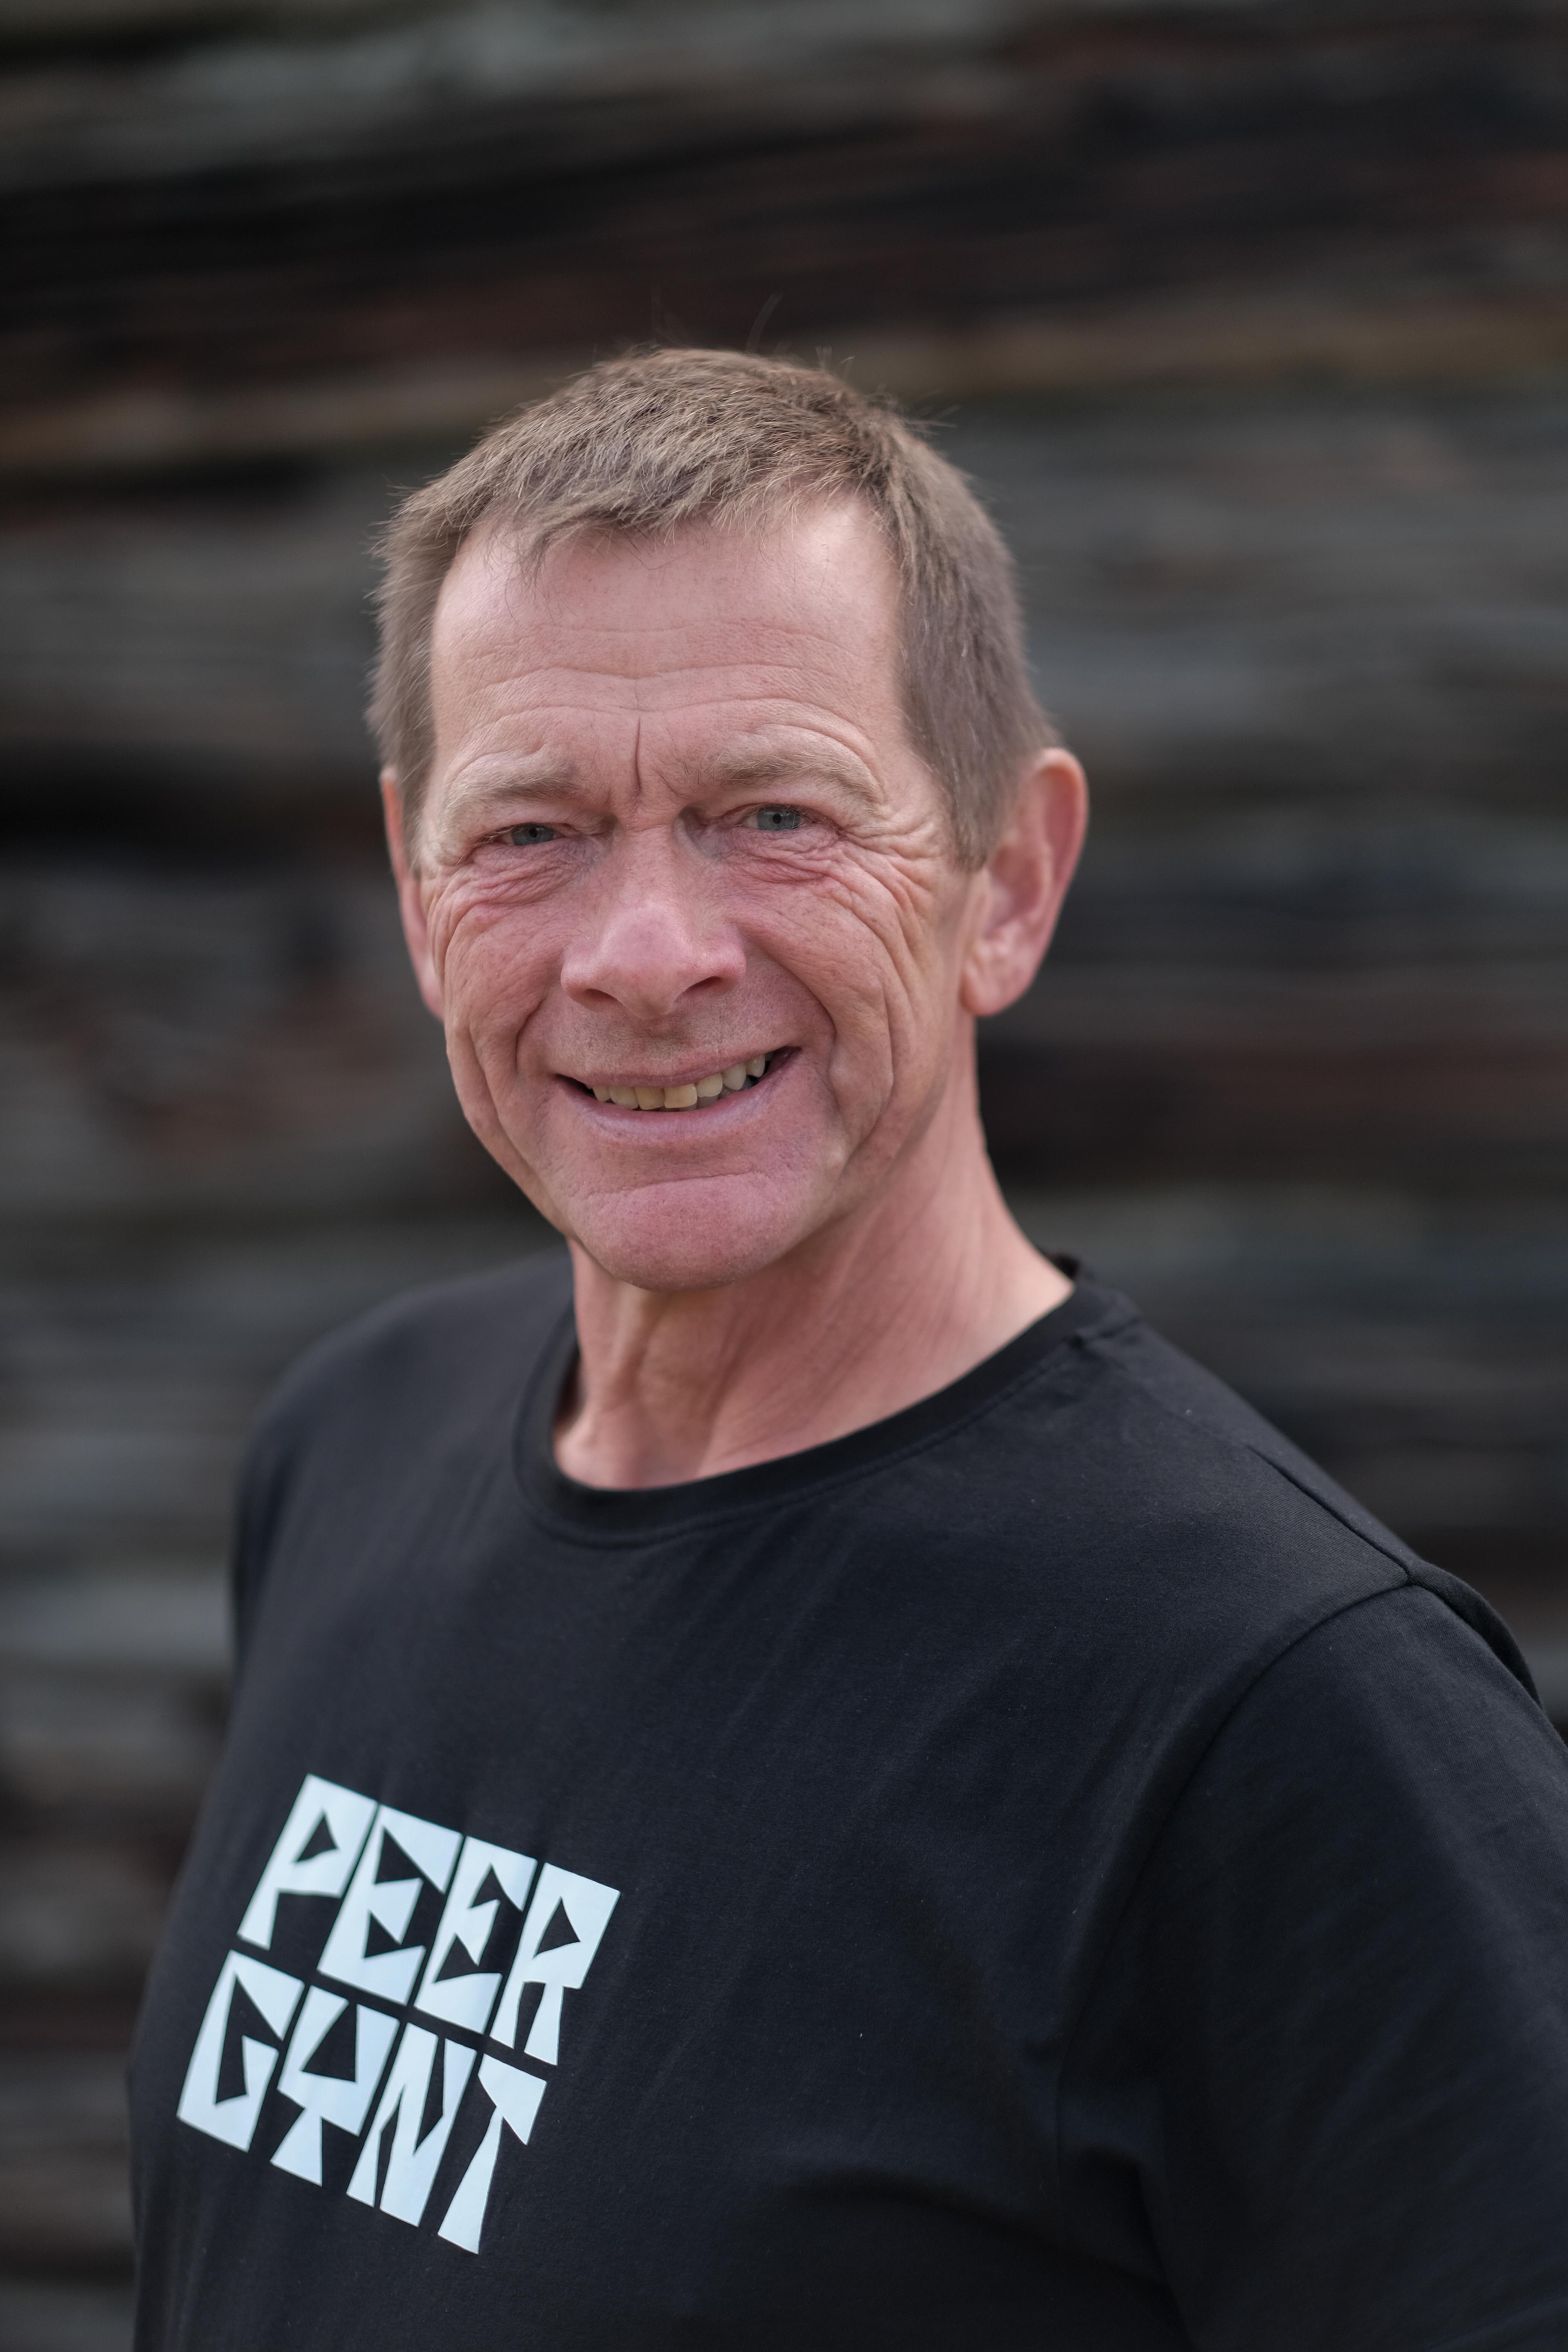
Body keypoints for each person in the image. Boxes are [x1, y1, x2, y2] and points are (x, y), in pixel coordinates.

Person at [129, 350, 1568, 2350]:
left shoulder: (1284, 1712)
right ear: (417, 891)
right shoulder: (356, 1441)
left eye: (772, 815)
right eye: (531, 830)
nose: (647, 956)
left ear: (1009, 882)